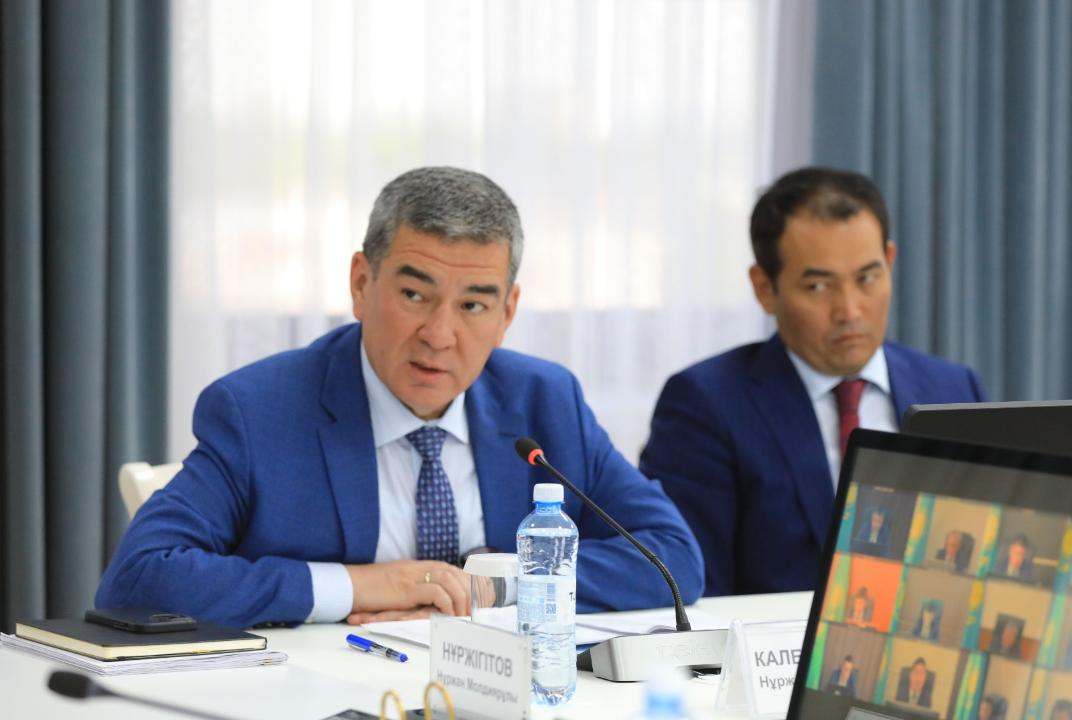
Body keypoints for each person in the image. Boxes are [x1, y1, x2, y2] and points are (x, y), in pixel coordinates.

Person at [95, 167, 704, 628]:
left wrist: (487, 587)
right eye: (415, 295)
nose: (439, 335)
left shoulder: (545, 401)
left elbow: (673, 558)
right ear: (362, 283)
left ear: (507, 312)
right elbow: (138, 578)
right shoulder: (260, 409)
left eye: (473, 305)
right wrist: (361, 586)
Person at [640, 166, 987, 596]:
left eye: (867, 278)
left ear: (890, 262)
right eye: (820, 287)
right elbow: (690, 587)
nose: (850, 311)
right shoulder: (706, 404)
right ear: (765, 288)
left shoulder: (953, 389)